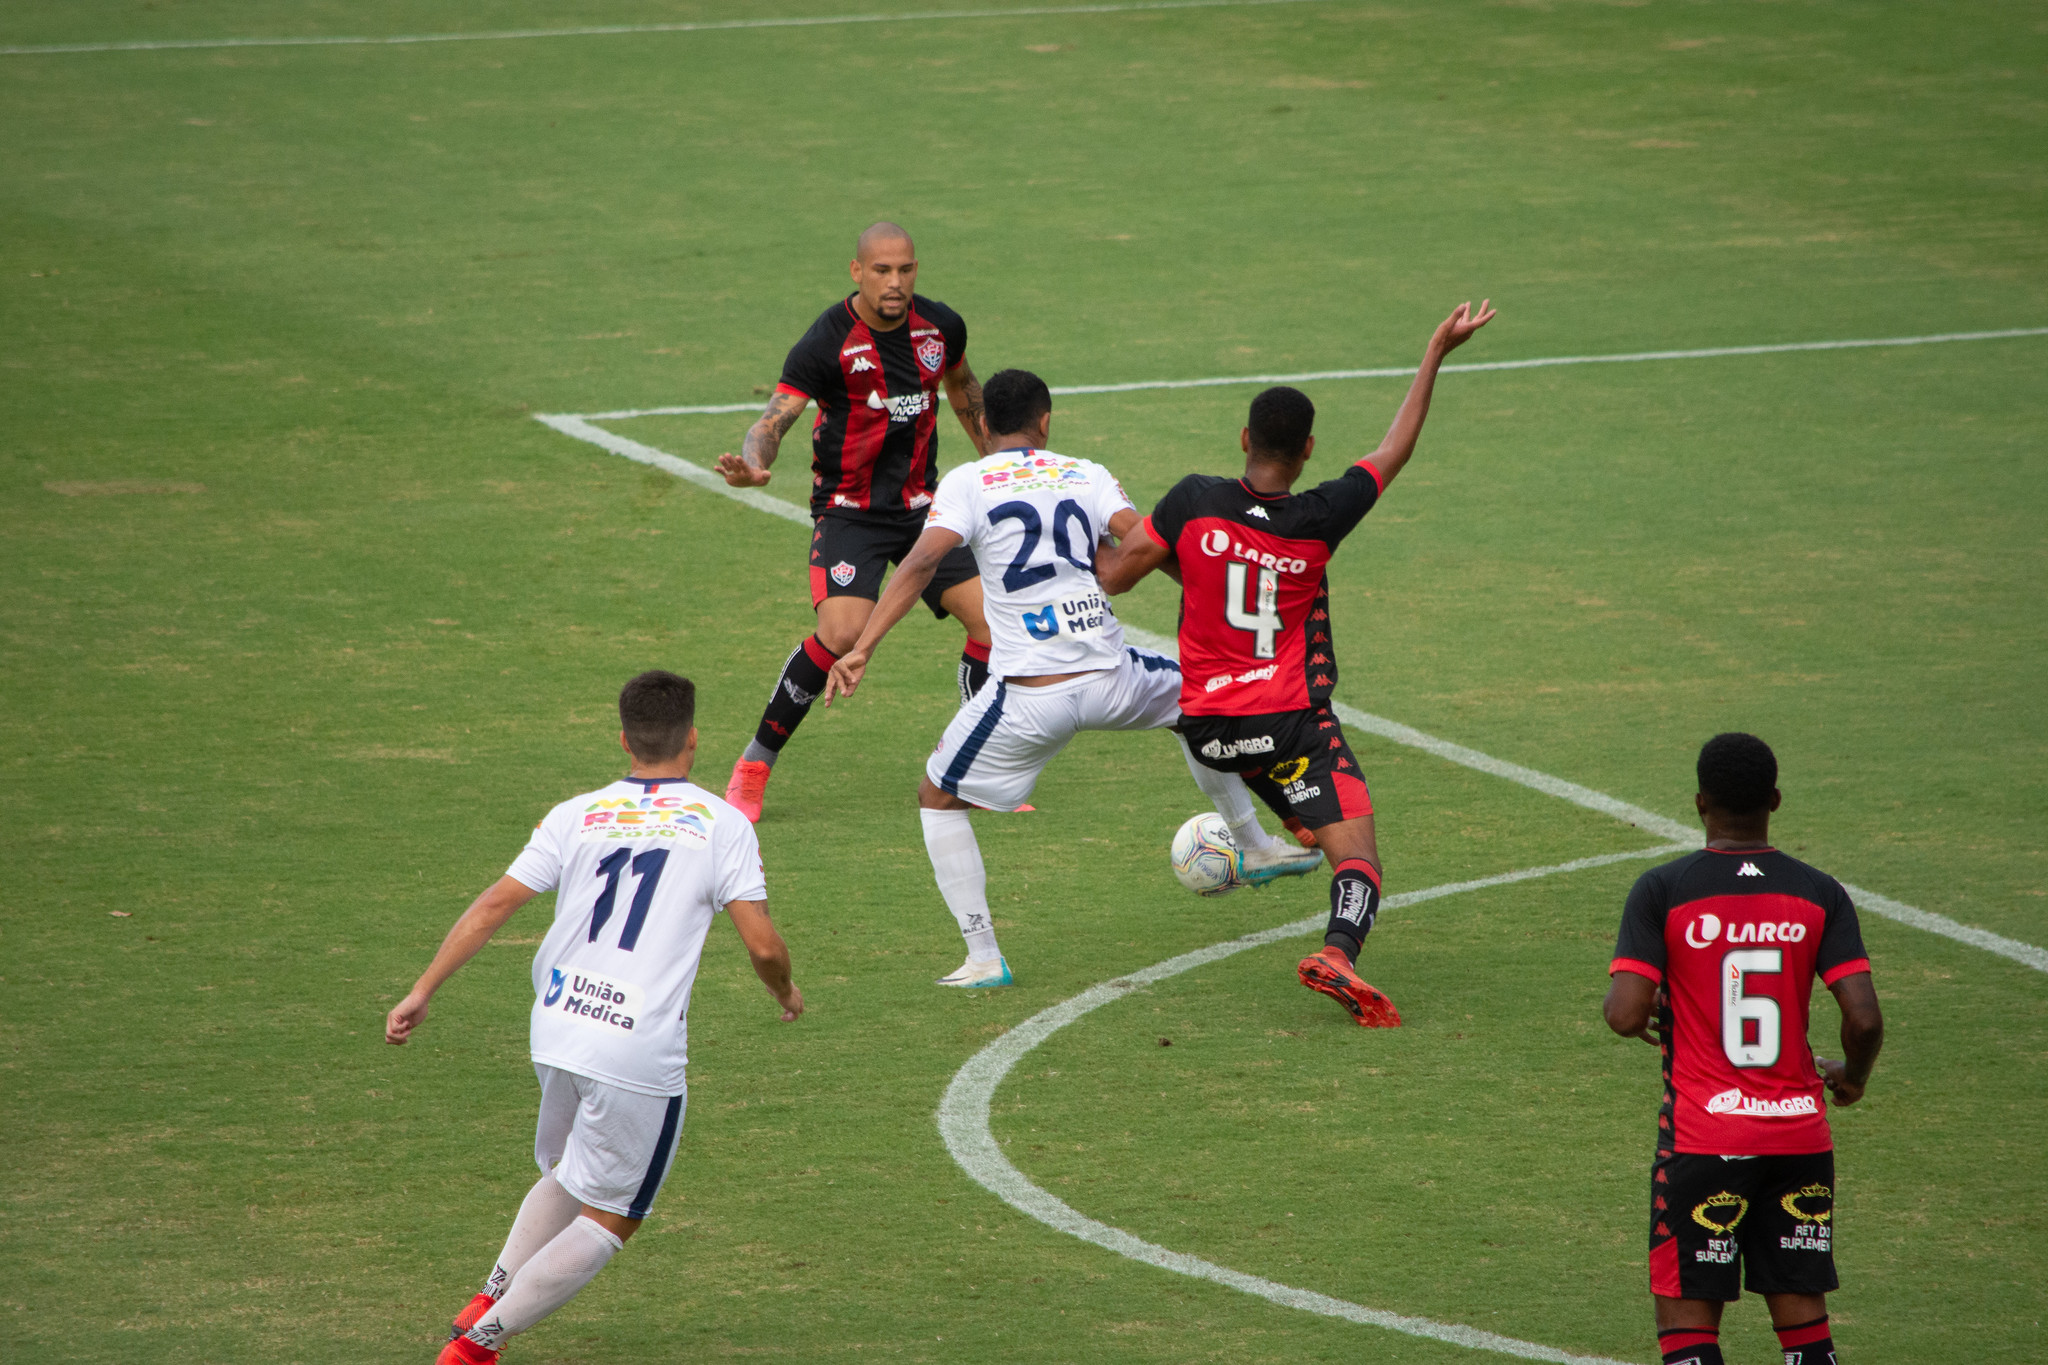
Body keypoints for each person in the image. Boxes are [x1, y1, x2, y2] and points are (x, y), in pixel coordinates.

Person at [819, 369, 1321, 986]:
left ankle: (982, 957)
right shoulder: (1085, 472)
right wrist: (1226, 606)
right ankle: (1254, 841)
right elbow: (1145, 542)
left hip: (1031, 697)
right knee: (1199, 702)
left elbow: (923, 561)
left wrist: (863, 646)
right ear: (1046, 422)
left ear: (981, 426)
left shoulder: (966, 482)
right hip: (1116, 677)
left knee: (938, 798)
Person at [1095, 302, 1496, 1026]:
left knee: (1310, 824)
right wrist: (1435, 351)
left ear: (1245, 438)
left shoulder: (1194, 501)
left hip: (1210, 731)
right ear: (1307, 449)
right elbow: (1393, 451)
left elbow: (1118, 575)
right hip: (1287, 722)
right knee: (1360, 857)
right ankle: (1339, 952)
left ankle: (1292, 826)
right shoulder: (1321, 514)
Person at [385, 671, 803, 1364]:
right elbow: (762, 944)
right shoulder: (720, 823)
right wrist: (785, 991)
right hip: (634, 1046)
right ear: (693, 740)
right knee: (615, 1213)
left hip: (556, 1023)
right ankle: (479, 1344)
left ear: (624, 740)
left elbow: (493, 904)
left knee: (573, 1172)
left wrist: (423, 988)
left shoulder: (575, 812)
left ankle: (491, 1292)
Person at [1604, 733, 1883, 1365]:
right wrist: (1854, 1077)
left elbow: (1624, 1014)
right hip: (1800, 1137)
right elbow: (1864, 1020)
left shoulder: (1664, 888)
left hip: (1705, 1135)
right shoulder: (1820, 892)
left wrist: (1654, 1002)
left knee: (1688, 1318)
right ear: (1775, 800)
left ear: (1700, 802)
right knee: (1803, 1313)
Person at [715, 222, 994, 822]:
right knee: (841, 635)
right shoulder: (826, 341)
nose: (895, 283)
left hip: (925, 509)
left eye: (906, 270)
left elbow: (965, 389)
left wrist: (1002, 463)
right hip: (850, 513)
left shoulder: (941, 327)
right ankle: (754, 765)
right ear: (857, 271)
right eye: (882, 271)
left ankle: (971, 768)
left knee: (991, 627)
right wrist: (756, 467)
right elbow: (774, 419)